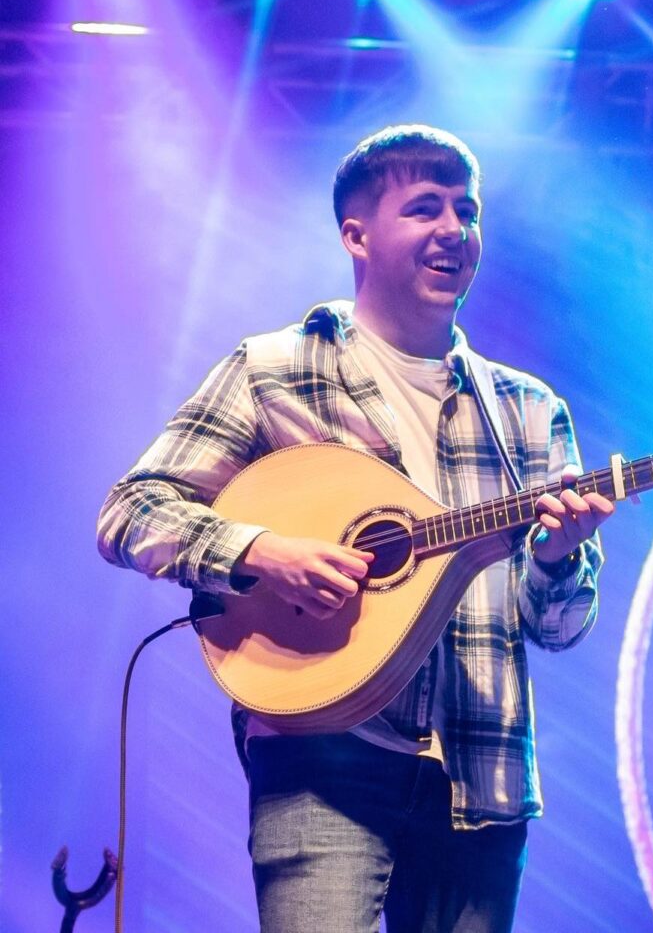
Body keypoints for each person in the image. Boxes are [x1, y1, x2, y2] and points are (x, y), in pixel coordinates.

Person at [97, 124, 614, 933]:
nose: (455, 229)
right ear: (356, 235)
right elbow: (131, 511)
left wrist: (555, 556)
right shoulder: (275, 368)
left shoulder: (528, 411)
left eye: (468, 211)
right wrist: (261, 552)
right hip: (323, 754)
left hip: (480, 776)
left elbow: (560, 627)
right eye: (426, 208)